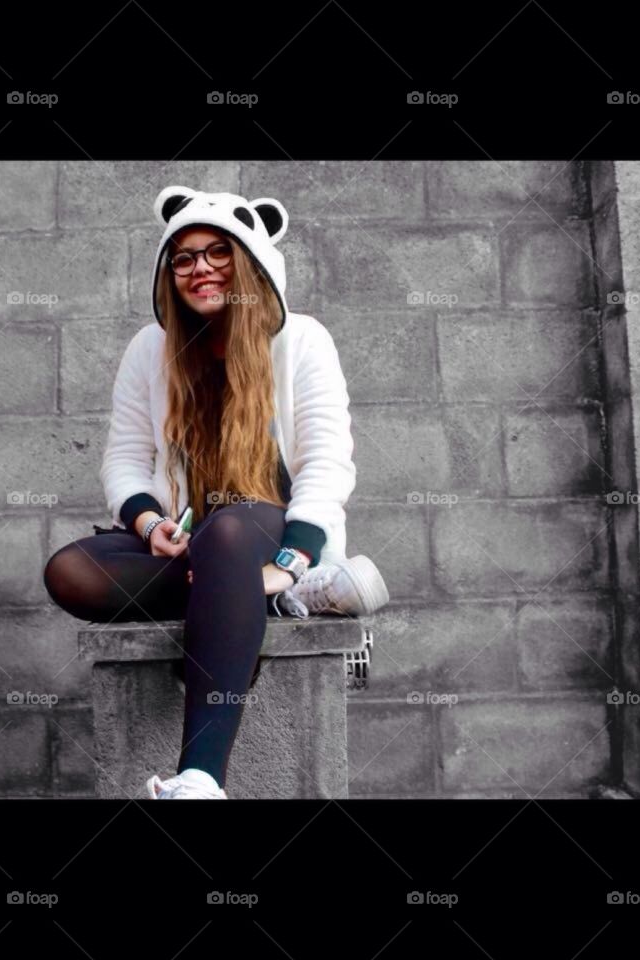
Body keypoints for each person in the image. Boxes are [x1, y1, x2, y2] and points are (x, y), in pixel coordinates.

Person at [44, 186, 387, 800]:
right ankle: (257, 596)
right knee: (70, 571)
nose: (199, 267)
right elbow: (124, 460)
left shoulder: (303, 339)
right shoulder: (150, 349)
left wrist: (287, 562)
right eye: (183, 257)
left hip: (271, 529)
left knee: (229, 530)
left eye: (217, 252)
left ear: (251, 260)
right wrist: (150, 525)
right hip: (192, 541)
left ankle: (200, 779)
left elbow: (329, 462)